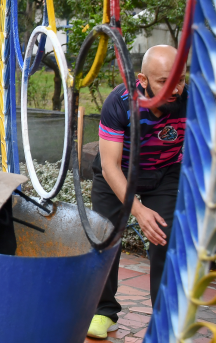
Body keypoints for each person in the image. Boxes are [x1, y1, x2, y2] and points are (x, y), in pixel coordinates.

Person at [87, 45, 187, 339]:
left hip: (165, 173)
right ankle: (103, 311)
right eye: (164, 82)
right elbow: (109, 166)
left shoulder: (190, 101)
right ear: (142, 79)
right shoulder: (119, 104)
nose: (175, 89)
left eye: (180, 80)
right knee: (105, 237)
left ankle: (164, 318)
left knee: (165, 238)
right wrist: (139, 211)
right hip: (118, 173)